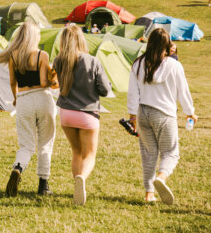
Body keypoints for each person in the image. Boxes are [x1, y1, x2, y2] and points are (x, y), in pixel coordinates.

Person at [126, 28, 196, 204]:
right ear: (167, 45)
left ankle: (149, 193)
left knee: (149, 154)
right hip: (164, 114)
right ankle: (161, 177)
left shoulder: (138, 63)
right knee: (171, 153)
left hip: (143, 112)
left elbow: (132, 93)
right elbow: (183, 92)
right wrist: (190, 112)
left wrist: (132, 117)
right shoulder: (174, 65)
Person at [0, 22, 55, 197]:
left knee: (26, 144)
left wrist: (15, 98)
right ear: (35, 37)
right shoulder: (42, 55)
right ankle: (43, 185)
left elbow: (13, 82)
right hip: (43, 98)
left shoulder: (13, 56)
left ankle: (18, 168)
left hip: (24, 100)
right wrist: (53, 79)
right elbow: (43, 82)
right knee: (45, 143)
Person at [53, 23, 111, 206]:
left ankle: (77, 187)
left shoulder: (58, 61)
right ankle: (82, 179)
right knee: (89, 154)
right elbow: (104, 90)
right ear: (81, 39)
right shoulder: (92, 61)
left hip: (66, 114)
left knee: (76, 152)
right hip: (87, 114)